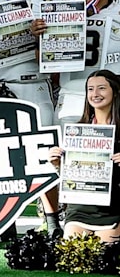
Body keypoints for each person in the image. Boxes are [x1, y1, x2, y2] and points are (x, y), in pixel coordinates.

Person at [0, 0, 63, 236]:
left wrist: (42, 35)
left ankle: (52, 221)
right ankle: (6, 223)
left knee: (45, 154)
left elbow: (65, 42)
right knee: (1, 156)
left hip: (34, 83)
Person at [49, 70, 120, 242]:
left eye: (101, 88)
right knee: (73, 256)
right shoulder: (76, 130)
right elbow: (70, 178)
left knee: (102, 259)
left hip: (113, 210)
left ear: (116, 91)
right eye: (90, 89)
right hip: (80, 210)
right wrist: (58, 164)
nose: (95, 94)